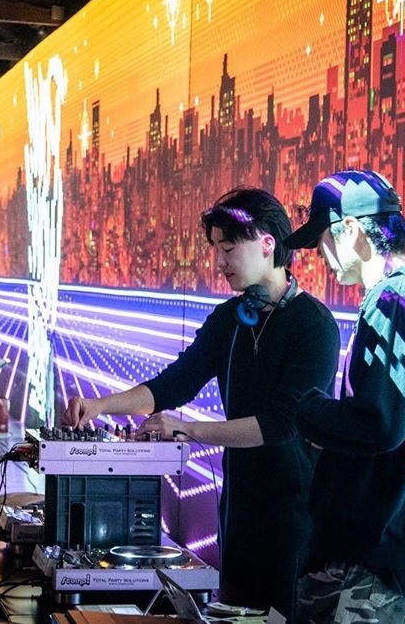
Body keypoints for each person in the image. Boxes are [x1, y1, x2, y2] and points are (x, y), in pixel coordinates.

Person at [63, 188, 341, 619]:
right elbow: (174, 384)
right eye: (216, 249)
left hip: (295, 520)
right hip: (238, 515)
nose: (219, 262)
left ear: (268, 244)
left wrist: (188, 429)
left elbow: (280, 424)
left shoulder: (314, 326)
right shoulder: (230, 320)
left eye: (228, 249)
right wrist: (101, 405)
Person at [284, 170, 405, 624]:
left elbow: (379, 423)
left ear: (351, 230)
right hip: (374, 554)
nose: (320, 255)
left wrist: (308, 410)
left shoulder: (394, 300)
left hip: (363, 564)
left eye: (322, 239)